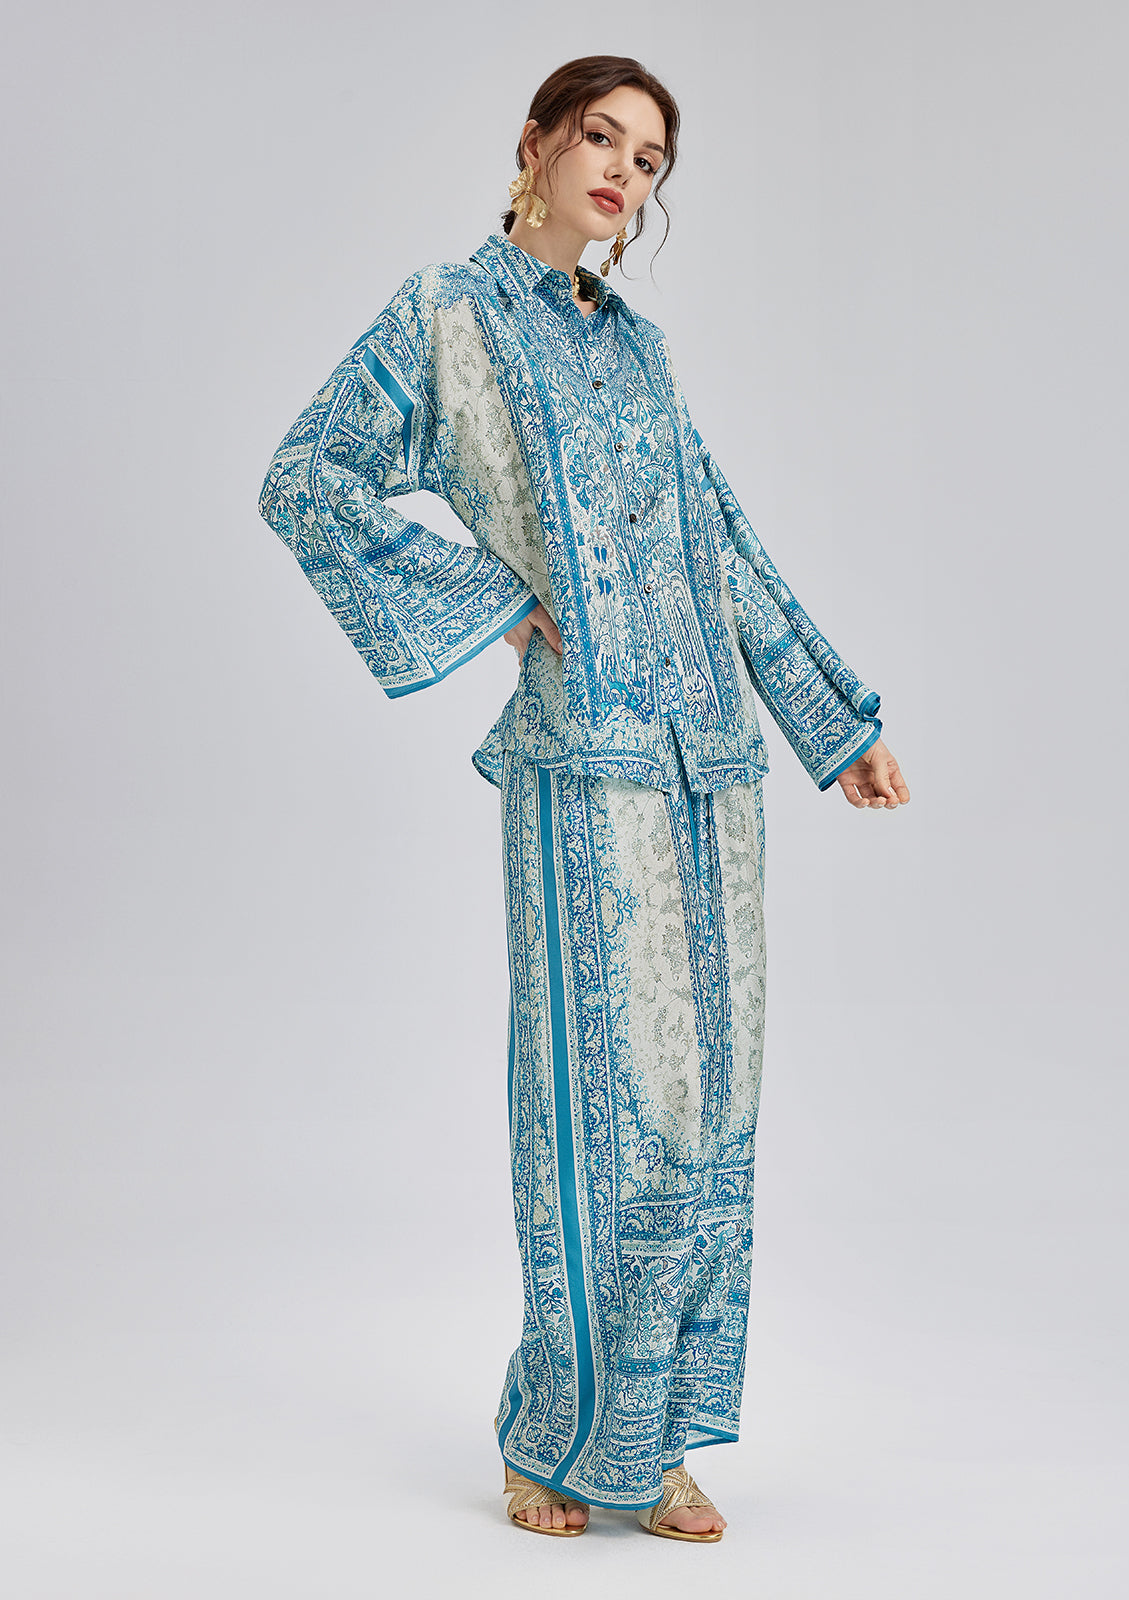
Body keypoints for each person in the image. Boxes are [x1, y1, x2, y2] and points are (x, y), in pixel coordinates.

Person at [258, 54, 909, 1544]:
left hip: (711, 777)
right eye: (602, 138)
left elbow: (718, 539)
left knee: (707, 1116)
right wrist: (490, 601)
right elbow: (309, 477)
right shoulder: (448, 315)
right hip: (581, 773)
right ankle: (552, 1439)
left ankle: (656, 1444)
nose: (624, 171)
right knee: (595, 1105)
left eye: (650, 158)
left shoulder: (643, 356)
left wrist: (834, 722)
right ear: (538, 144)